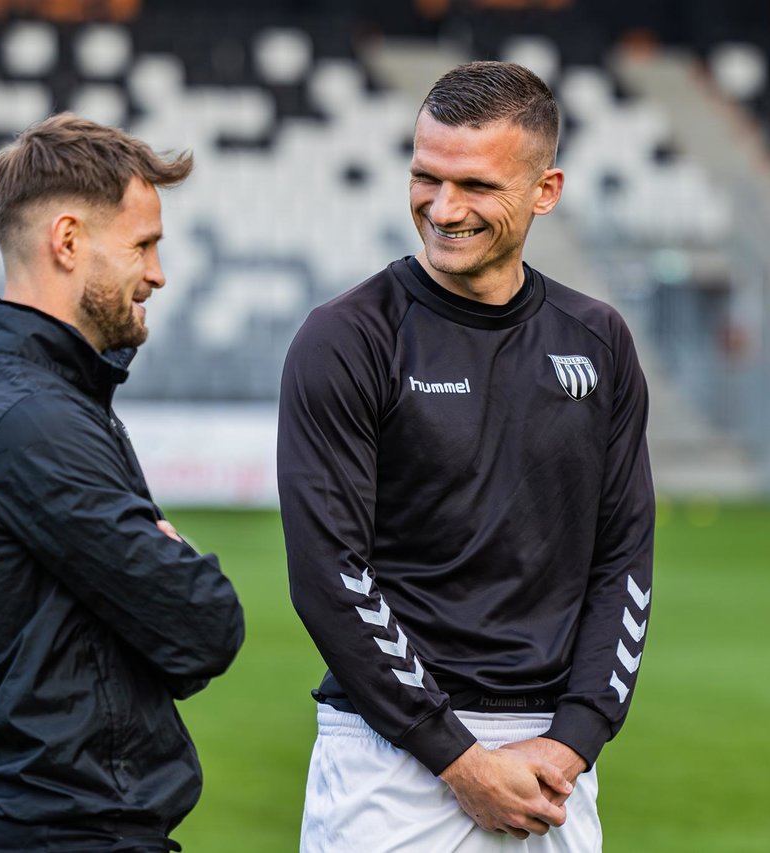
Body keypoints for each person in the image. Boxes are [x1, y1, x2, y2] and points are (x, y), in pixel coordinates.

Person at [277, 62, 654, 851]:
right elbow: (328, 575)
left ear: (545, 191)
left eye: (476, 185)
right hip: (390, 760)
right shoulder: (348, 338)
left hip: (554, 767)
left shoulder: (598, 341)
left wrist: (576, 738)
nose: (443, 208)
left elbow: (622, 558)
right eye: (426, 177)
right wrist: (458, 757)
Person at [0, 113, 245, 853]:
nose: (158, 273)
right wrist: (176, 565)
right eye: (143, 244)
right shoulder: (32, 419)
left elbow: (173, 637)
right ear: (67, 241)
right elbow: (205, 626)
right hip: (67, 836)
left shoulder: (44, 401)